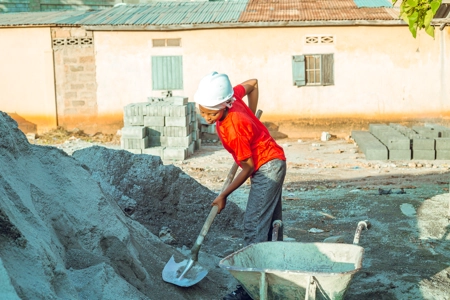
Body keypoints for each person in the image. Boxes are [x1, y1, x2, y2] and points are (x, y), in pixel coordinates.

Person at [194, 72, 287, 300]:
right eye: (203, 110)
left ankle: (250, 290)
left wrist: (224, 195)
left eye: (212, 112)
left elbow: (247, 167)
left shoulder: (234, 127)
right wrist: (255, 117)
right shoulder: (232, 96)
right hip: (272, 160)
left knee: (254, 225)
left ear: (225, 105)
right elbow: (253, 83)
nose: (206, 116)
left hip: (267, 168)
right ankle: (273, 274)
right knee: (272, 225)